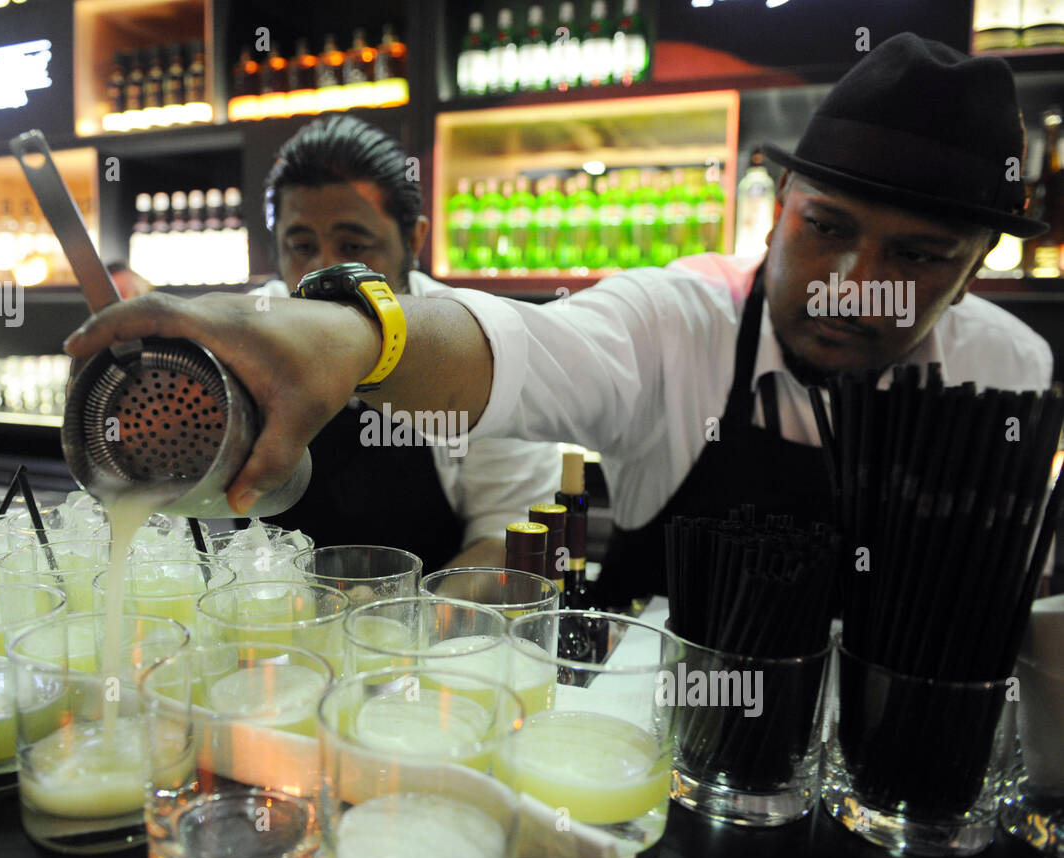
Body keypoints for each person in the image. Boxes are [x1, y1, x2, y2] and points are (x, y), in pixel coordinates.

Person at [64, 34, 1052, 601]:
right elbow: (526, 345)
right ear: (778, 205)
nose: (850, 279)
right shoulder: (683, 322)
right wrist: (341, 332)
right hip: (660, 762)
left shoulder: (1009, 373)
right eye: (825, 228)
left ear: (977, 268)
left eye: (917, 256)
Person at [250, 115, 560, 570]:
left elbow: (508, 537)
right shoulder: (251, 341)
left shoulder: (479, 348)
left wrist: (401, 619)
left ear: (413, 239)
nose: (324, 273)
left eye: (353, 246)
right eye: (300, 246)